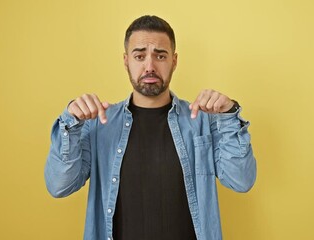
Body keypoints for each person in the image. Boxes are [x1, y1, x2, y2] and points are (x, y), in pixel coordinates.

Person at [45, 15, 257, 240]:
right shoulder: (98, 125)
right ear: (126, 60)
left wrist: (228, 115)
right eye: (139, 56)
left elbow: (241, 181)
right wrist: (71, 121)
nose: (150, 66)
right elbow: (59, 186)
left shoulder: (203, 121)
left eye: (160, 56)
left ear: (174, 61)